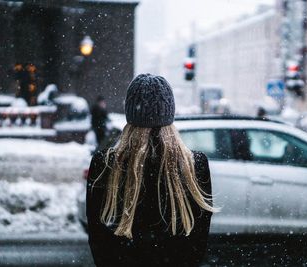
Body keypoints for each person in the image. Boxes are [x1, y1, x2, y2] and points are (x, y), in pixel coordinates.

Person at [86, 74, 216, 266]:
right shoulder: (194, 165)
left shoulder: (105, 163)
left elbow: (98, 239)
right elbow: (198, 241)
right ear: (169, 112)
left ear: (130, 113)